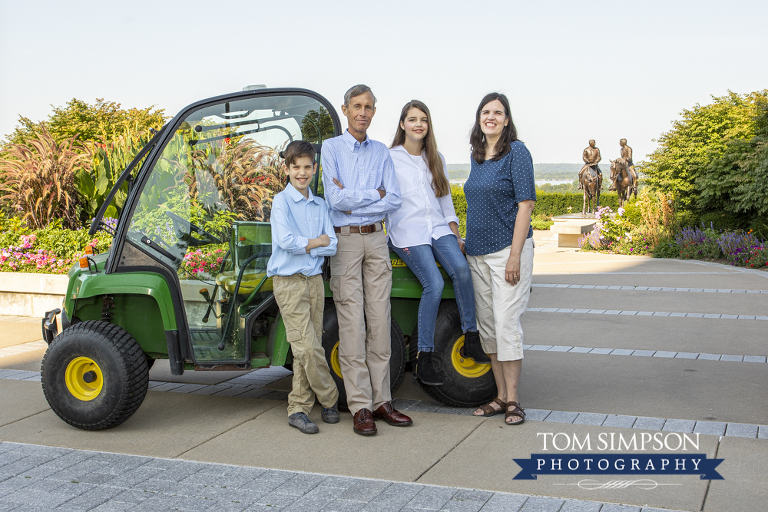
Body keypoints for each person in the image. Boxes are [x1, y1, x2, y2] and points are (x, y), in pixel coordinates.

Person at [321, 84, 412, 436]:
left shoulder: (381, 152)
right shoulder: (330, 149)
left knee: (379, 321)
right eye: (356, 106)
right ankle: (360, 406)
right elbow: (335, 200)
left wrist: (359, 198)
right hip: (344, 243)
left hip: (376, 240)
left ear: (374, 111)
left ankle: (383, 401)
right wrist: (374, 194)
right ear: (345, 110)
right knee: (352, 326)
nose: (363, 112)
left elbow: (394, 200)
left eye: (369, 107)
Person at [386, 100, 490, 387]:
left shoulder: (436, 157)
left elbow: (444, 200)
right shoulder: (389, 157)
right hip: (407, 232)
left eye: (423, 120)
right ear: (402, 124)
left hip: (438, 229)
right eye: (412, 119)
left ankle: (471, 337)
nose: (418, 124)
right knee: (432, 282)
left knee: (461, 269)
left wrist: (455, 234)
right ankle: (424, 357)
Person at [465, 93, 536, 426]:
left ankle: (514, 400)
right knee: (490, 329)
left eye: (497, 112)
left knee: (507, 325)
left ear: (507, 120)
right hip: (476, 254)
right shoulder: (477, 156)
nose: (490, 117)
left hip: (506, 254)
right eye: (485, 112)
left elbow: (525, 205)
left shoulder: (517, 152)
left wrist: (515, 256)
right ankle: (500, 396)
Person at [267, 141, 340, 434]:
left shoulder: (320, 204)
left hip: (314, 282)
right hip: (289, 283)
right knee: (307, 347)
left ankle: (298, 409)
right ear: (287, 169)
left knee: (305, 349)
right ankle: (331, 398)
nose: (302, 172)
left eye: (307, 167)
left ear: (314, 168)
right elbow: (286, 241)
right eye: (296, 167)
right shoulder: (281, 202)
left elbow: (332, 244)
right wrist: (316, 243)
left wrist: (313, 244)